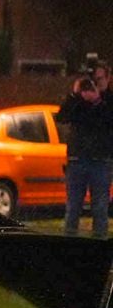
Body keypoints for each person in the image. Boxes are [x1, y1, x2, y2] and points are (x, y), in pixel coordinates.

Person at [56, 74, 113, 237]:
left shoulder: (108, 102)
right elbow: (62, 117)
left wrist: (98, 100)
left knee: (100, 207)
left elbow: (107, 119)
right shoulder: (77, 103)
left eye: (99, 80)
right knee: (73, 207)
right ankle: (70, 244)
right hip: (77, 160)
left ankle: (99, 244)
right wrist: (74, 94)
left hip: (101, 161)